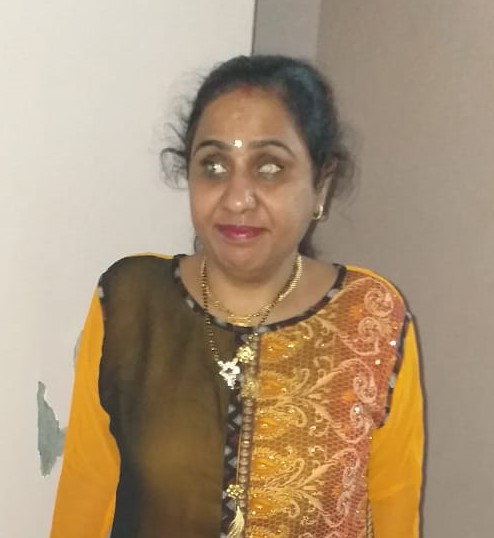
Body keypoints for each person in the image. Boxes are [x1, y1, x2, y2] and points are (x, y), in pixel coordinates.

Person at [50, 55, 423, 538]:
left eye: (269, 168)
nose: (237, 198)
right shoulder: (129, 302)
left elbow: (395, 510)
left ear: (321, 186)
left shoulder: (370, 315)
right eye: (213, 166)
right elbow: (85, 496)